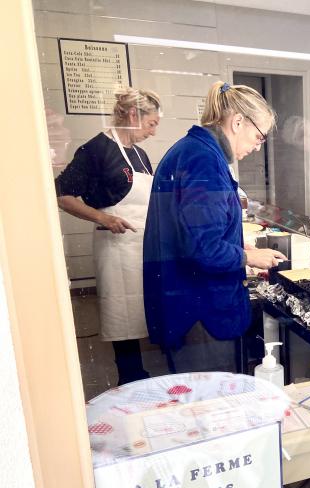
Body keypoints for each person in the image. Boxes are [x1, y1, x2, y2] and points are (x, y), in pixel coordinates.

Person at [143, 82, 285, 374]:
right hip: (200, 313)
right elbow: (204, 250)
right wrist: (249, 258)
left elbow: (193, 232)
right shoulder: (204, 161)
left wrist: (236, 246)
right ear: (236, 122)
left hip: (186, 303)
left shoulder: (193, 150)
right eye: (258, 137)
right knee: (211, 406)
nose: (258, 147)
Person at [55, 87, 161, 385]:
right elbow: (62, 194)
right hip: (115, 248)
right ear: (132, 115)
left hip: (142, 246)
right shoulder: (96, 150)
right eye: (151, 124)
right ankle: (129, 377)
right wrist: (103, 217)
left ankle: (144, 373)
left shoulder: (139, 155)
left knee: (143, 309)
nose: (153, 132)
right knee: (121, 314)